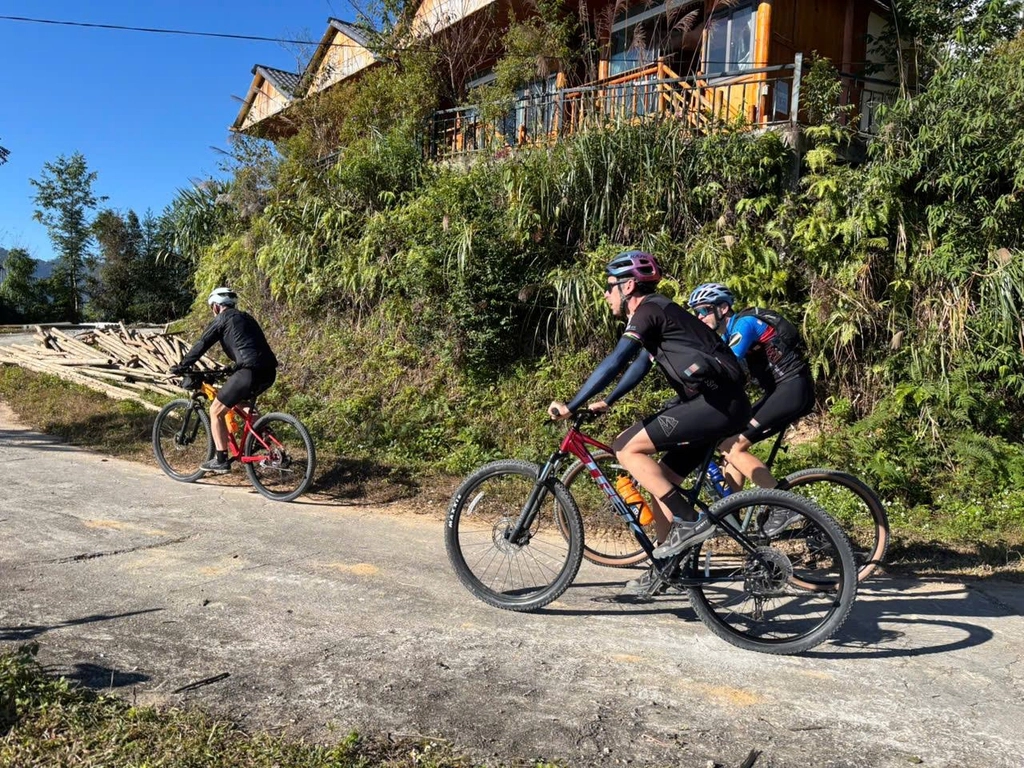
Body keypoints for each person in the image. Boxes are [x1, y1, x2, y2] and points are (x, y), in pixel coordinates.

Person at [548, 252, 750, 593]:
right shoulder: (661, 315)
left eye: (610, 287)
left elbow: (615, 361)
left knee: (625, 447)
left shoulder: (649, 310)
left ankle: (688, 522)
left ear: (628, 286)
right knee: (660, 483)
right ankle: (666, 567)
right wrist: (608, 401)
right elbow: (639, 365)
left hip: (715, 404)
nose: (606, 294)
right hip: (720, 404)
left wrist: (572, 404)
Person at [686, 283, 815, 535]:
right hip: (779, 392)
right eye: (696, 313)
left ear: (722, 308)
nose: (699, 317)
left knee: (734, 446)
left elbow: (726, 368)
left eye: (703, 311)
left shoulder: (744, 324)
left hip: (791, 389)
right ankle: (730, 511)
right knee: (727, 443)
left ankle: (782, 507)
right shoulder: (726, 333)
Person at [170, 287, 278, 474]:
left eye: (212, 307)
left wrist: (183, 366)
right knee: (242, 402)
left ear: (216, 306)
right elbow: (251, 347)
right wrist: (232, 368)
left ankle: (220, 459)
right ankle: (266, 438)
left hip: (248, 372)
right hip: (268, 371)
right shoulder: (247, 317)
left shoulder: (222, 318)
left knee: (215, 411)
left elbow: (202, 343)